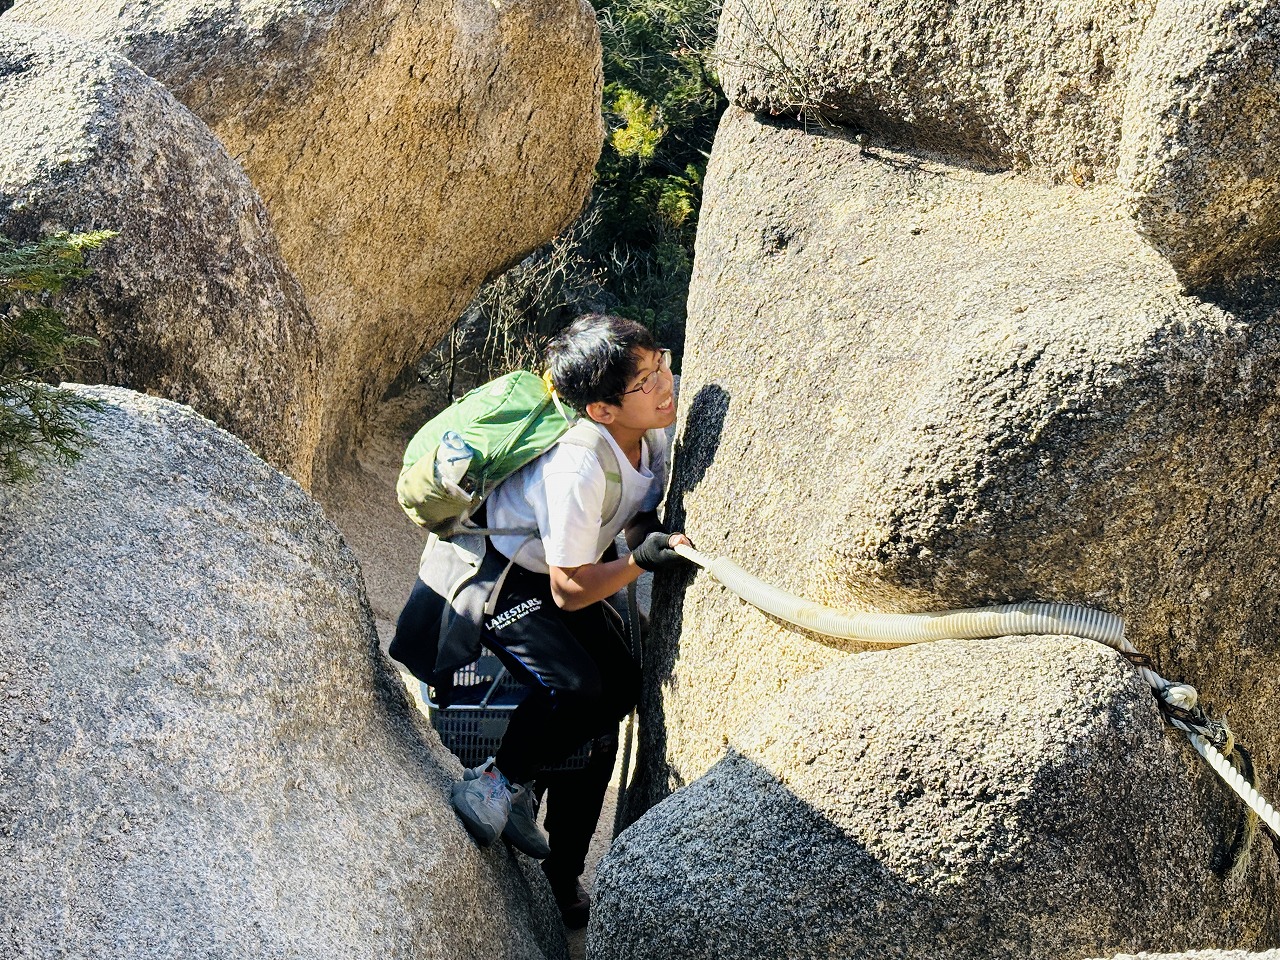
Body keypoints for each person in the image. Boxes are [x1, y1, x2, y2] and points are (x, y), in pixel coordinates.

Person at [390, 313, 692, 928]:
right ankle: (497, 783)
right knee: (576, 686)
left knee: (620, 686)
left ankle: (546, 833)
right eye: (645, 380)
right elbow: (571, 588)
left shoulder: (650, 429)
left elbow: (636, 505)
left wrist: (646, 536)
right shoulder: (576, 466)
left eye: (660, 362)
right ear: (602, 409)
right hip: (505, 576)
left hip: (558, 565)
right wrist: (639, 562)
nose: (665, 384)